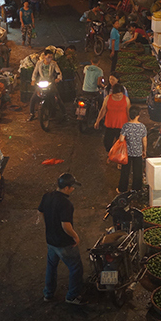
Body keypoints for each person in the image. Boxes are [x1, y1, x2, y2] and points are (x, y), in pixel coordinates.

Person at [38, 173, 86, 305]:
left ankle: (48, 293)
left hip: (50, 240)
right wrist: (75, 236)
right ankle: (72, 296)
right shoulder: (66, 203)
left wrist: (49, 224)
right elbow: (66, 226)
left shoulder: (47, 196)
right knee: (76, 268)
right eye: (72, 187)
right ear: (66, 188)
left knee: (51, 266)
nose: (73, 189)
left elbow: (40, 212)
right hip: (63, 243)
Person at [28, 50, 66, 121]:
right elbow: (35, 73)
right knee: (33, 98)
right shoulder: (39, 63)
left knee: (57, 98)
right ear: (44, 56)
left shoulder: (53, 64)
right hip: (41, 82)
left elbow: (59, 73)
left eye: (51, 57)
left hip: (50, 83)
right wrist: (33, 80)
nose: (50, 59)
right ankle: (31, 114)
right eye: (48, 57)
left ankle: (65, 114)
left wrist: (58, 79)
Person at [118, 106, 147, 192]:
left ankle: (122, 189)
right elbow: (144, 140)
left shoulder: (126, 126)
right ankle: (136, 189)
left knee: (125, 171)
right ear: (138, 115)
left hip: (127, 153)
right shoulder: (142, 126)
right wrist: (144, 150)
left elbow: (121, 139)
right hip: (138, 152)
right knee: (137, 171)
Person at [94, 83, 130, 153]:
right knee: (107, 142)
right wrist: (97, 121)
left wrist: (130, 123)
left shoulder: (126, 99)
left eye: (120, 95)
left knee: (121, 143)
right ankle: (110, 154)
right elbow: (103, 110)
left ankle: (119, 159)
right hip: (110, 124)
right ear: (113, 93)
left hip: (122, 125)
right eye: (117, 95)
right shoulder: (107, 98)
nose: (119, 97)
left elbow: (128, 112)